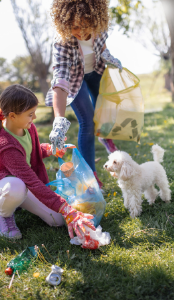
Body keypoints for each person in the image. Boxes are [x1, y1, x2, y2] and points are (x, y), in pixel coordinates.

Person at [0, 84, 95, 239]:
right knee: (16, 187)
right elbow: (32, 182)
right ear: (12, 116)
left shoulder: (28, 127)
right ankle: (4, 214)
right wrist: (66, 208)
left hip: (24, 185)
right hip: (8, 186)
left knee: (57, 220)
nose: (35, 117)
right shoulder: (5, 144)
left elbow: (32, 151)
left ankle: (15, 204)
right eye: (30, 114)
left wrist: (50, 150)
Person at [45, 0, 122, 189]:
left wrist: (107, 56)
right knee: (88, 122)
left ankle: (105, 136)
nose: (80, 32)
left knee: (104, 111)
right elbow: (60, 79)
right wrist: (59, 122)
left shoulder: (100, 28)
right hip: (74, 80)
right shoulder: (62, 42)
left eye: (85, 26)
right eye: (75, 27)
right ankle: (91, 176)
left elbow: (101, 46)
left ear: (95, 20)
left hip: (96, 72)